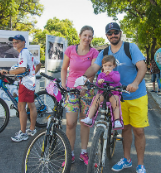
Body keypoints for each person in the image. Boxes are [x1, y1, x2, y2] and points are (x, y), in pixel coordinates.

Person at [77, 22, 148, 173]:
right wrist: (83, 78)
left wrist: (135, 83)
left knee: (139, 131)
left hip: (136, 95)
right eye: (110, 33)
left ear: (120, 33)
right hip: (117, 95)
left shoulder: (131, 48)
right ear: (106, 36)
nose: (113, 35)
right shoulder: (104, 52)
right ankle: (127, 160)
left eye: (115, 32)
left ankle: (140, 164)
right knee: (125, 129)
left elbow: (142, 67)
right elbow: (95, 68)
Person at [61, 25, 99, 166]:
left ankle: (84, 152)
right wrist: (64, 84)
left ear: (92, 38)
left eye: (90, 36)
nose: (87, 38)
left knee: (84, 122)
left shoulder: (94, 52)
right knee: (70, 123)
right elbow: (64, 68)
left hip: (87, 90)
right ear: (80, 35)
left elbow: (93, 70)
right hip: (71, 90)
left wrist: (86, 85)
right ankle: (69, 153)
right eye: (85, 35)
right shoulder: (71, 49)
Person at [0, 35, 42, 142]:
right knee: (31, 106)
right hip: (30, 83)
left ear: (23, 42)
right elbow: (39, 64)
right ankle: (32, 129)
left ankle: (23, 133)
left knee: (21, 107)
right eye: (13, 42)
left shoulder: (23, 53)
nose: (15, 44)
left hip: (25, 83)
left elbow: (22, 69)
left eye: (17, 42)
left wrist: (8, 72)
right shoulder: (27, 52)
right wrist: (32, 74)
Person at [81, 55, 123, 130]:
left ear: (114, 66)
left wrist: (110, 73)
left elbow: (117, 80)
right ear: (102, 66)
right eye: (105, 65)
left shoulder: (116, 73)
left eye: (110, 66)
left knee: (116, 103)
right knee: (95, 100)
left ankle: (117, 120)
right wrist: (99, 82)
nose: (107, 68)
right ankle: (89, 118)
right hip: (103, 93)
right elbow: (97, 84)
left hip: (113, 93)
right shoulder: (101, 75)